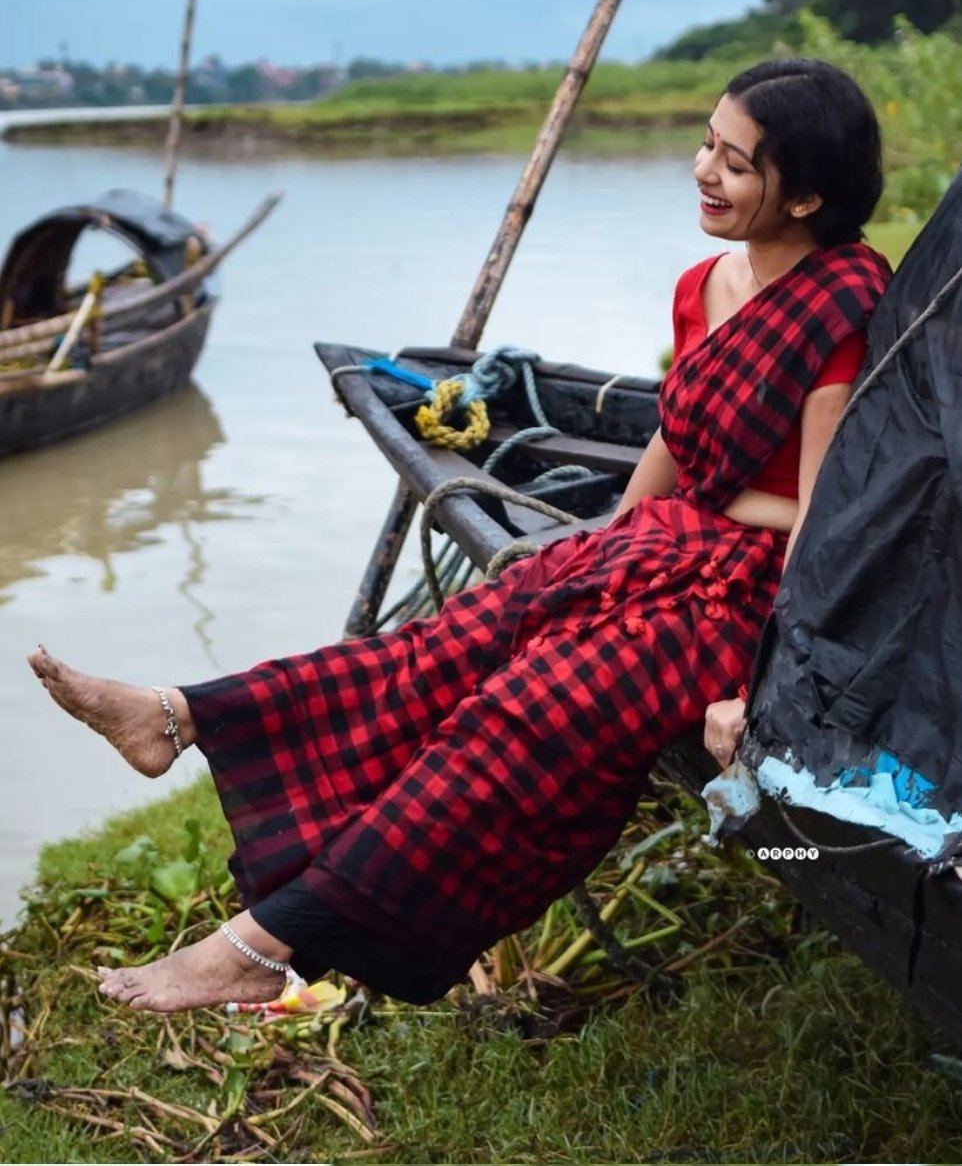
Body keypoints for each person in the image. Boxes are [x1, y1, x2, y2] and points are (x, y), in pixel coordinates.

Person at [29, 58, 891, 1014]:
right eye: (707, 144)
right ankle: (178, 715)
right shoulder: (701, 287)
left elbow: (826, 515)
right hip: (664, 543)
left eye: (736, 164)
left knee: (520, 720)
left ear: (807, 195)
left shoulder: (845, 306)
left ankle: (263, 948)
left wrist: (751, 687)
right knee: (437, 650)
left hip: (746, 592)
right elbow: (673, 436)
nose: (704, 170)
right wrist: (601, 540)